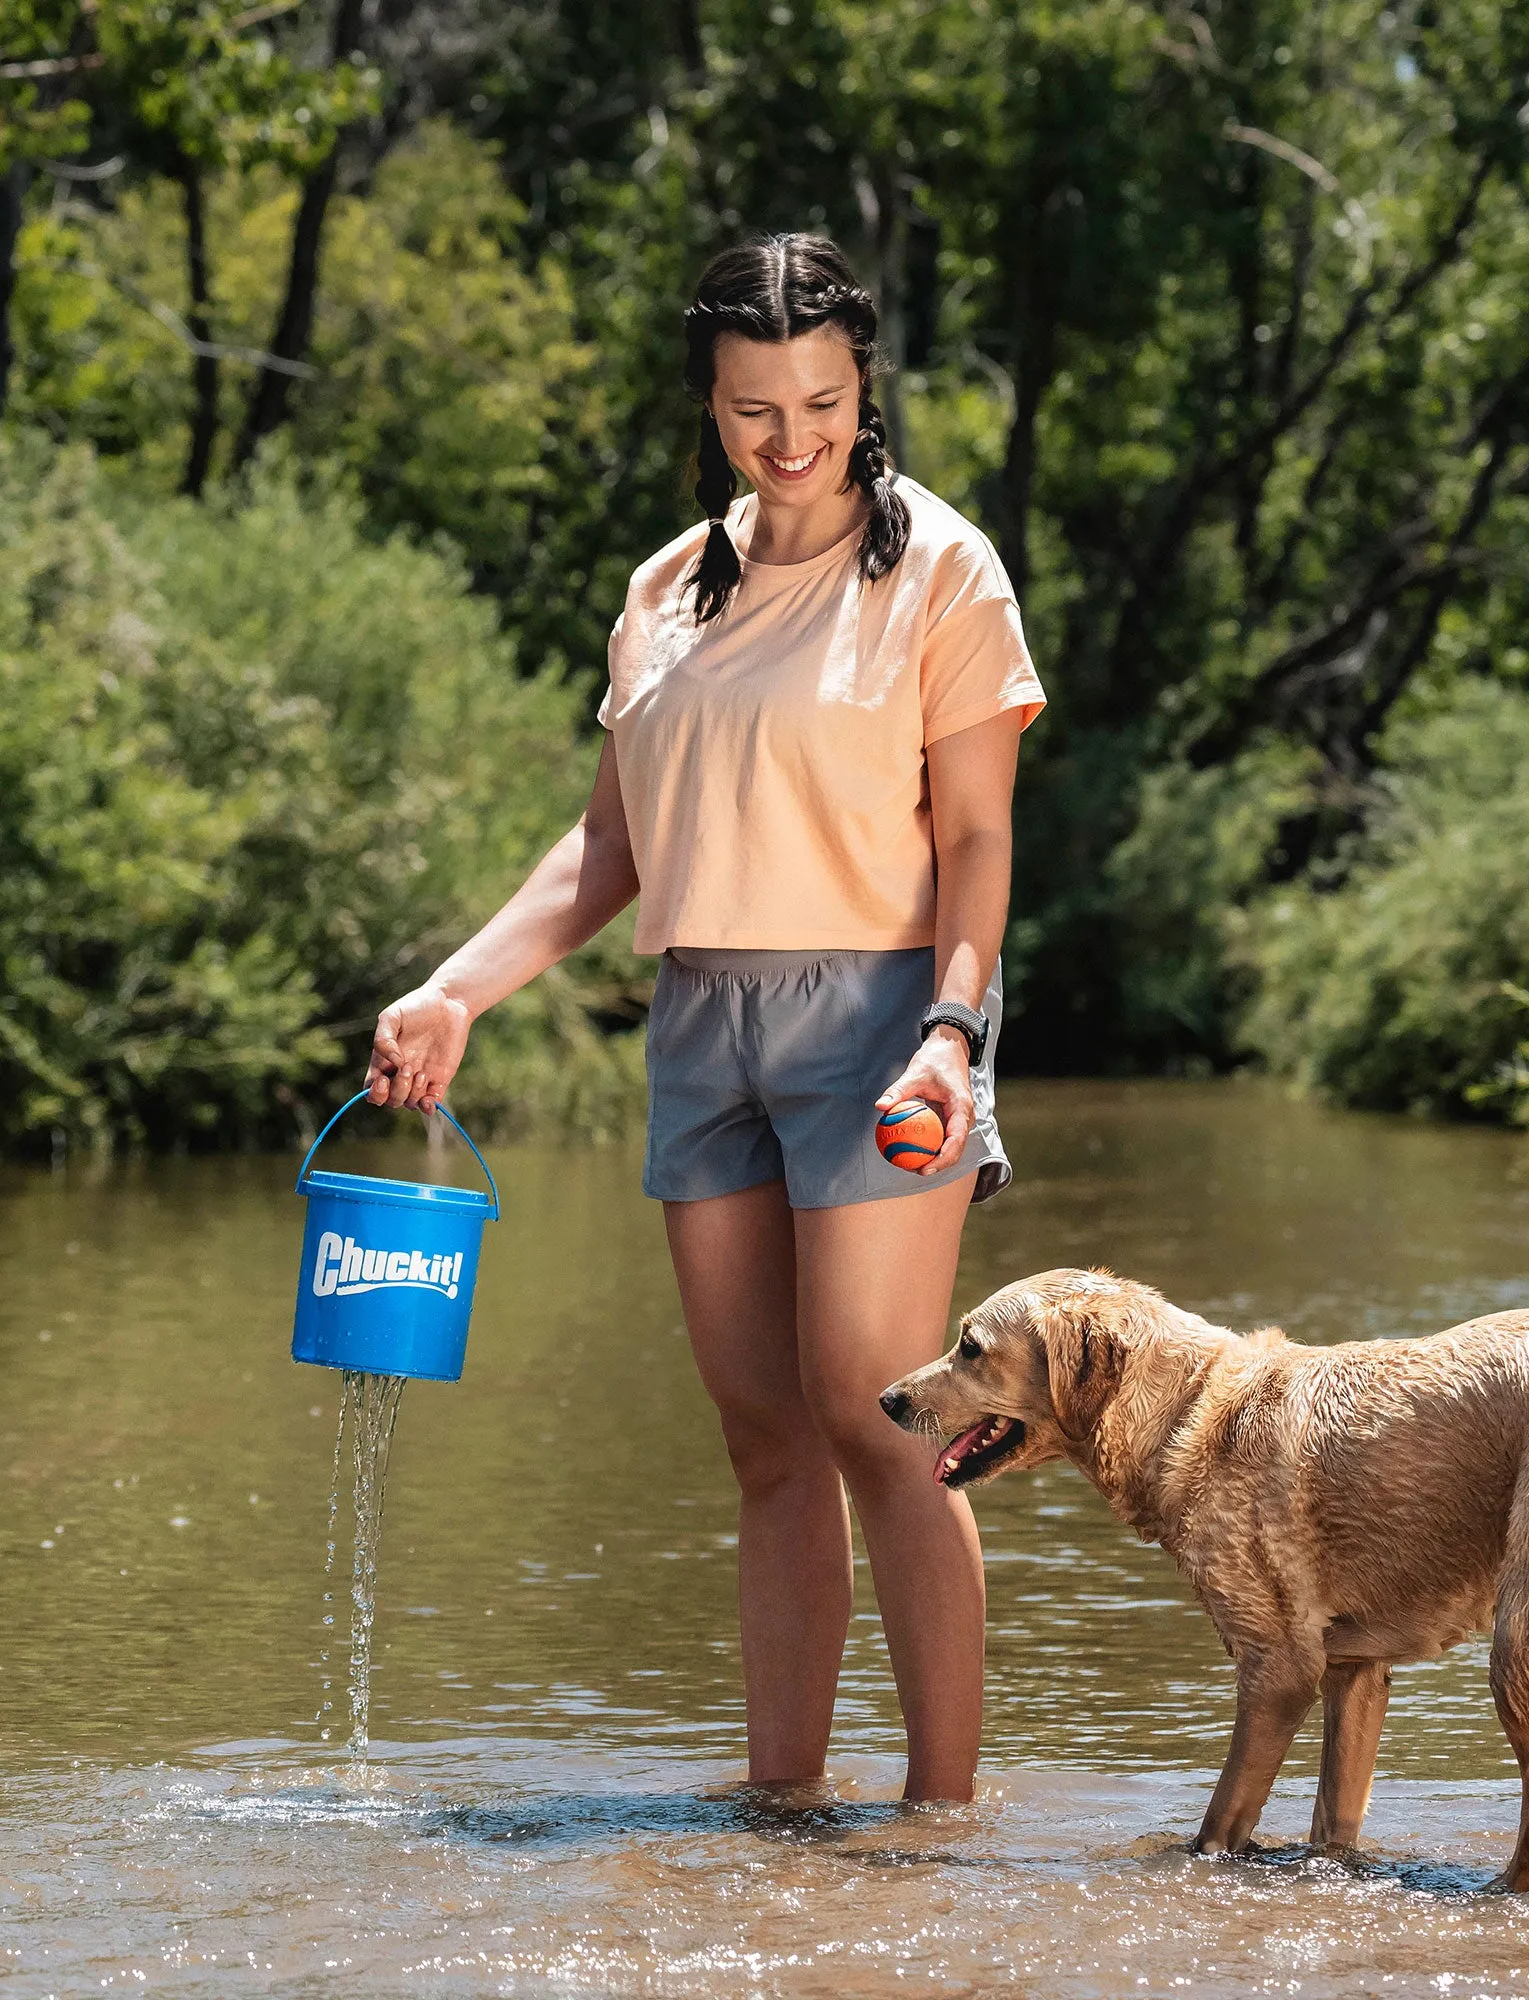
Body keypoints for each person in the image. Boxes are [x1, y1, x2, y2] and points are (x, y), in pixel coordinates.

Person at [364, 233, 1045, 1802]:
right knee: (763, 1436)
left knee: (882, 1419)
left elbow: (981, 838)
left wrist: (953, 1027)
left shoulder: (943, 567)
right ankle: (784, 1804)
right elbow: (612, 844)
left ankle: (941, 1818)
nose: (790, 435)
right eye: (754, 407)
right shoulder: (666, 587)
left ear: (863, 385)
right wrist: (459, 986)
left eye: (818, 398)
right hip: (701, 1024)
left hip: (882, 1015)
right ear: (712, 401)